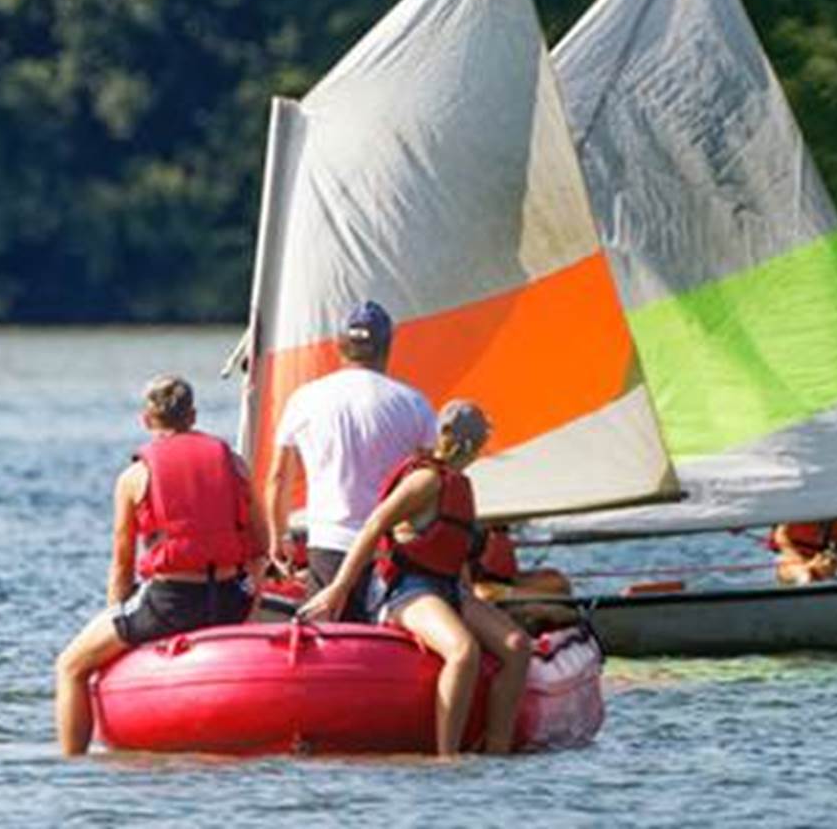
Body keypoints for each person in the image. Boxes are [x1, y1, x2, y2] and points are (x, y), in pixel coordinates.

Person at [299, 401, 531, 758]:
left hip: (448, 589)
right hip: (407, 591)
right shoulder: (426, 480)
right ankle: (447, 757)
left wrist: (469, 597)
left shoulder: (460, 484)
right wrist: (339, 587)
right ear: (463, 442)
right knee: (463, 651)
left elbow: (452, 548)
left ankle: (498, 753)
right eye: (480, 440)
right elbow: (374, 525)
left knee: (516, 645)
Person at [54, 375, 268, 756]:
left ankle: (72, 766)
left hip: (170, 605)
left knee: (70, 666)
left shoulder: (134, 477)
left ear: (146, 419)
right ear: (193, 416)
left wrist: (115, 615)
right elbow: (260, 546)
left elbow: (122, 563)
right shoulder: (235, 465)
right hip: (229, 600)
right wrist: (250, 604)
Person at [266, 300, 436, 622]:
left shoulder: (305, 398)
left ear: (339, 345)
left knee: (331, 639)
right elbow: (431, 484)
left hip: (330, 545)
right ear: (387, 346)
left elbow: (277, 478)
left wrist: (279, 537)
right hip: (392, 550)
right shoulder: (415, 403)